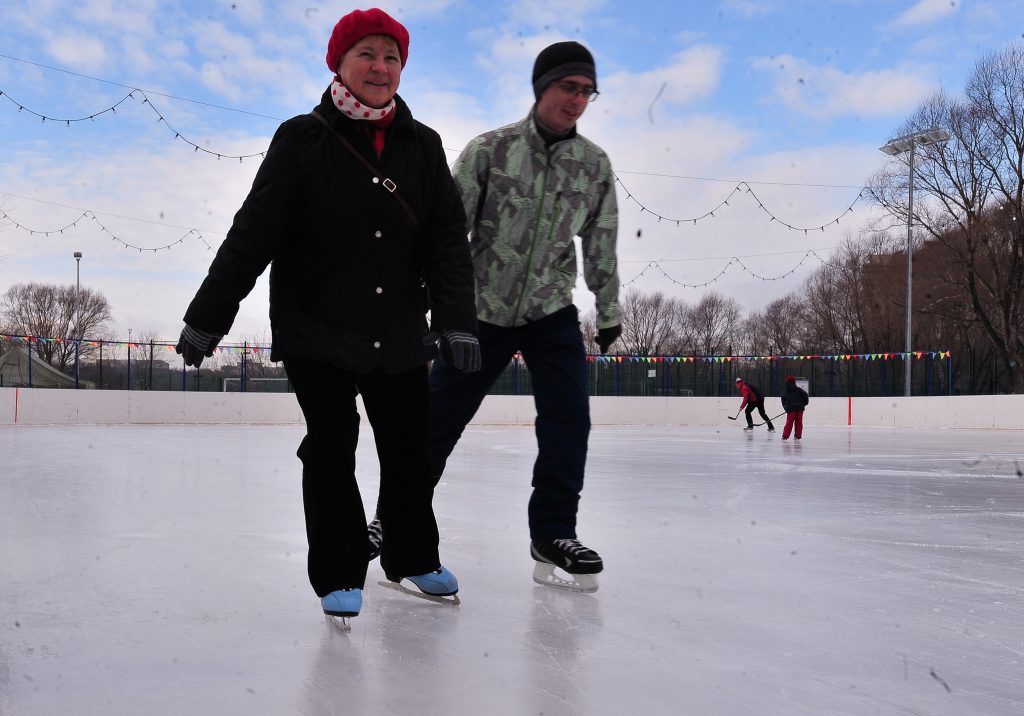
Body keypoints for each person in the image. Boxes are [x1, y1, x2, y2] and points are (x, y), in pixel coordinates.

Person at [175, 8, 479, 623]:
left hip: (396, 326)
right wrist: (209, 314)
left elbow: (447, 238)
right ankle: (340, 570)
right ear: (339, 63)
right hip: (317, 326)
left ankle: (412, 555)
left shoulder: (423, 146)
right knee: (333, 446)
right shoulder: (302, 138)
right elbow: (254, 231)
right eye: (367, 53)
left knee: (408, 449)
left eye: (392, 57)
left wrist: (456, 319)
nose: (381, 67)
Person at [405, 40, 621, 593]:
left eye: (586, 92)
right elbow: (447, 233)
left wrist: (609, 306)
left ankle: (552, 533)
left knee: (569, 419)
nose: (577, 100)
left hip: (551, 311)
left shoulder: (594, 166)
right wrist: (433, 303)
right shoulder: (491, 150)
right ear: (541, 87)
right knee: (436, 419)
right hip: (482, 309)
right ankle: (398, 517)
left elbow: (601, 241)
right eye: (567, 88)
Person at [780, 375, 809, 440]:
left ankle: (785, 436)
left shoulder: (785, 391)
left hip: (791, 409)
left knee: (789, 422)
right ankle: (797, 436)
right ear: (794, 382)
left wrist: (786, 408)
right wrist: (803, 404)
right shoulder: (799, 390)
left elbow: (783, 400)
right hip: (800, 408)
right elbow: (806, 396)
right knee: (799, 422)